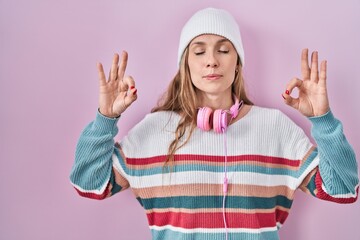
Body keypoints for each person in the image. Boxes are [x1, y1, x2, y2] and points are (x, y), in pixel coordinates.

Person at [70, 7, 359, 240]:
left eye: (223, 50)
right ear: (186, 64)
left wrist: (322, 120)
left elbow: (342, 188)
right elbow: (90, 184)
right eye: (199, 51)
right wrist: (105, 119)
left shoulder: (275, 128)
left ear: (237, 63)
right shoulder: (153, 130)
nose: (211, 61)